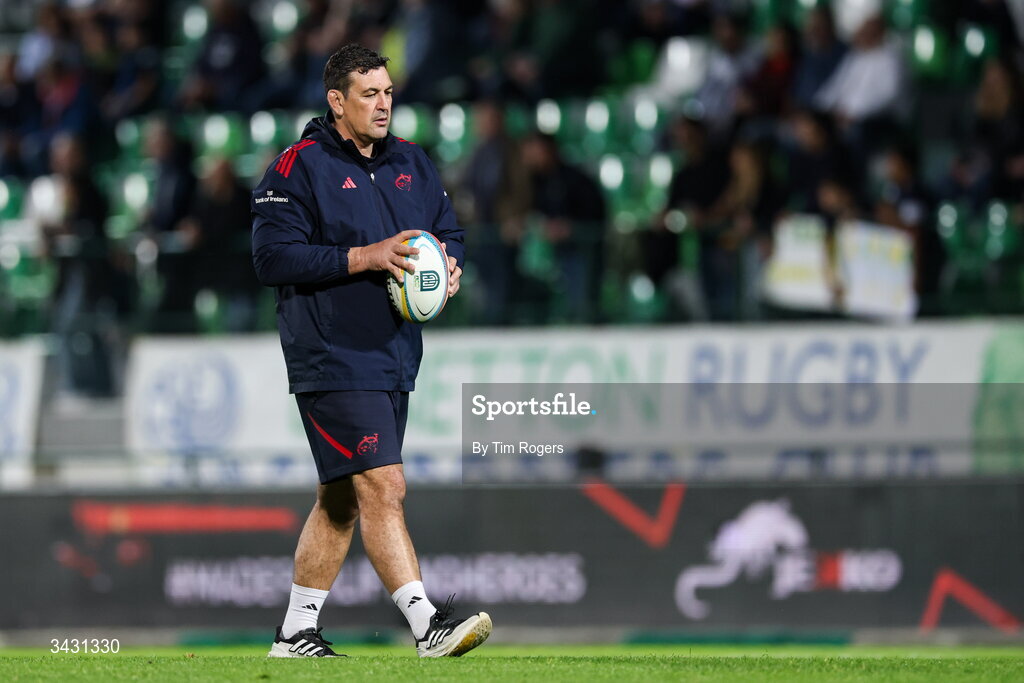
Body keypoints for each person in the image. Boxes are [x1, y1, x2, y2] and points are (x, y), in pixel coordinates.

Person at [251, 44, 490, 659]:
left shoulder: (412, 160)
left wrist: (448, 267)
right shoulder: (296, 167)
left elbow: (448, 231)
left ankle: (295, 633)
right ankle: (427, 626)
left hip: (394, 353)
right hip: (330, 351)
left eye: (388, 92)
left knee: (340, 499)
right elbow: (271, 257)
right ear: (337, 100)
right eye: (369, 94)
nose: (383, 105)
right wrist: (368, 255)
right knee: (383, 484)